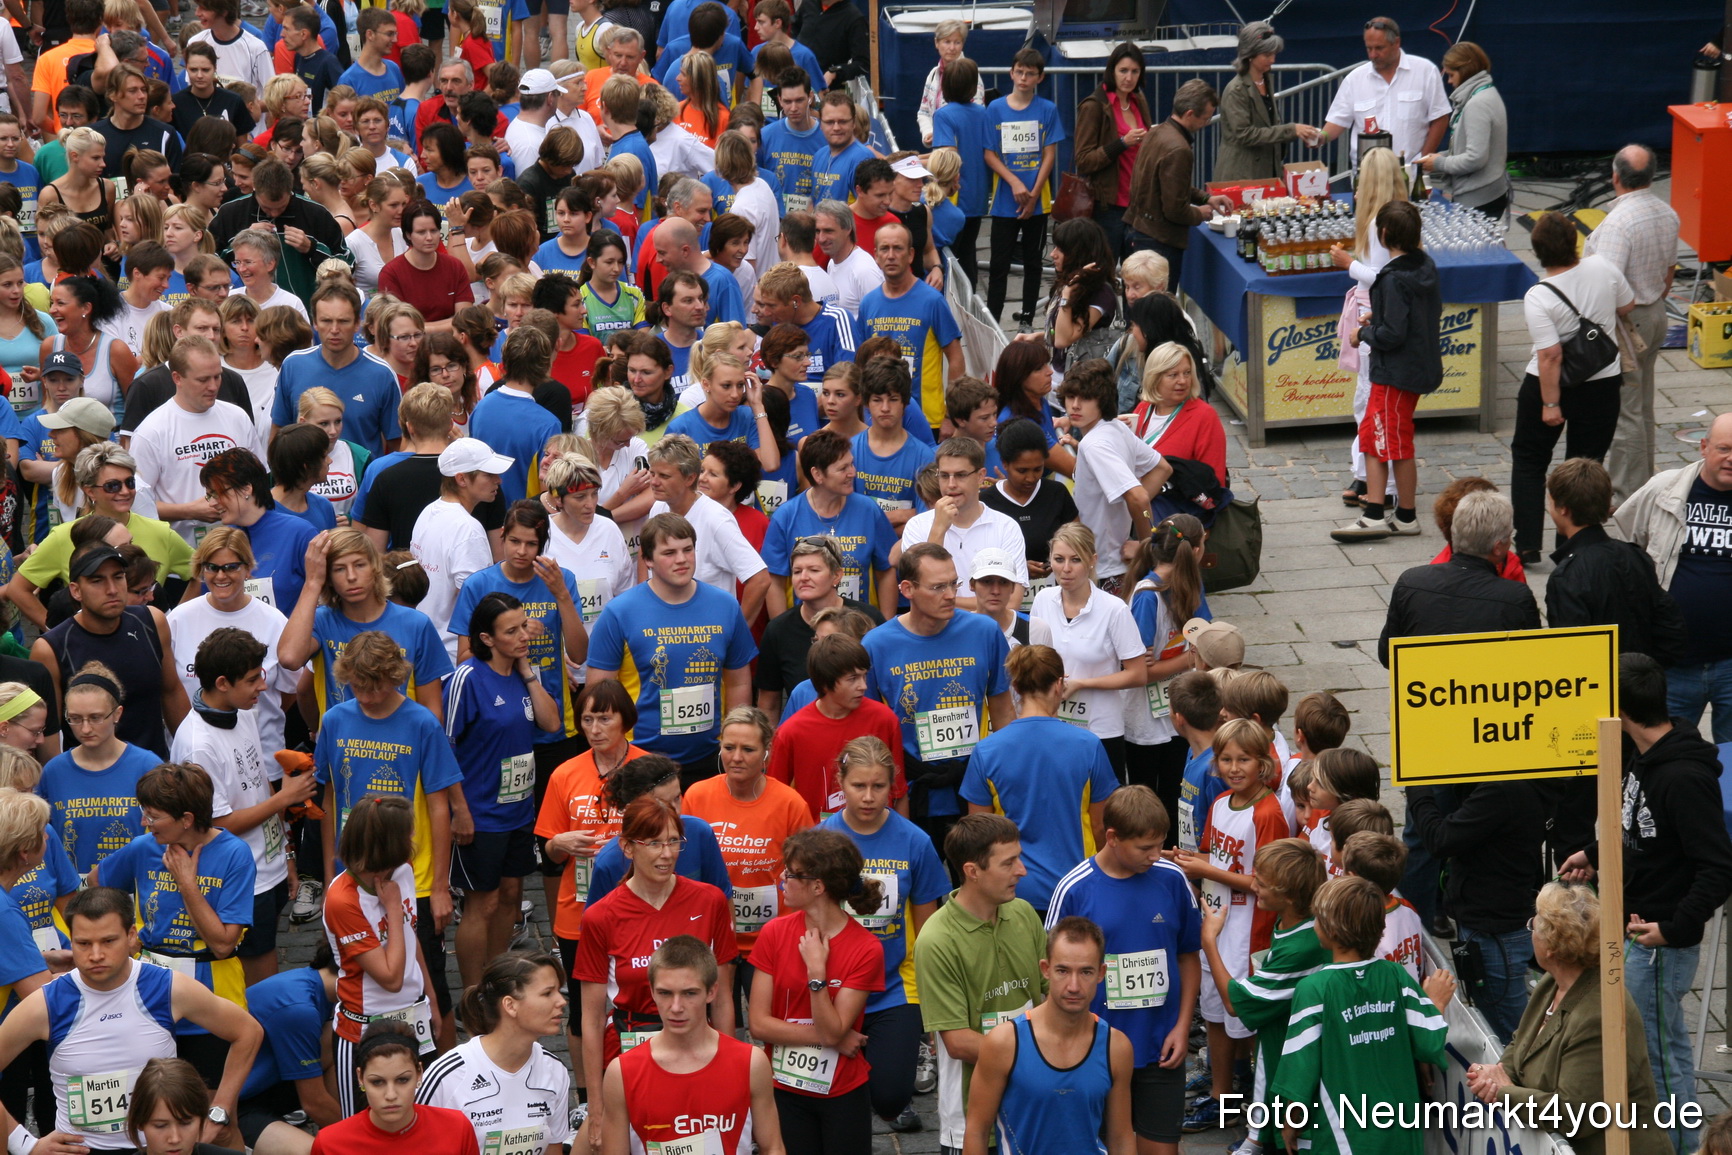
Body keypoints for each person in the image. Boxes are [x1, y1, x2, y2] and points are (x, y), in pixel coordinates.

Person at [1557, 653, 1732, 1151]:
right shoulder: (1642, 755)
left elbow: (1718, 866)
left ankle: (1679, 1146)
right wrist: (1594, 854)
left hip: (1658, 946)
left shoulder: (1681, 778)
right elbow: (1637, 827)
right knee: (1665, 1046)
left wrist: (1673, 929)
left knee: (1655, 1058)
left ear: (1622, 711)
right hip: (1641, 934)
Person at [0, 885, 263, 1153]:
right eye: (83, 943)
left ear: (130, 936)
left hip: (158, 1148)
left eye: (108, 941)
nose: (96, 955)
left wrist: (221, 1108)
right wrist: (24, 1144)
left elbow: (247, 1032)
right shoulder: (46, 1004)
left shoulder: (167, 988)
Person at [314, 631, 461, 1045]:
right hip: (353, 872)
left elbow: (438, 804)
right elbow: (328, 796)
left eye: (376, 685)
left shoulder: (421, 723)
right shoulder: (335, 720)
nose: (367, 695)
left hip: (411, 870)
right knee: (357, 972)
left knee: (430, 978)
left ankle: (443, 1065)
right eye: (358, 686)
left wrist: (442, 885)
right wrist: (329, 866)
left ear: (396, 677)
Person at [1463, 882, 1674, 1155]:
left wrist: (1504, 1092)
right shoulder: (1552, 982)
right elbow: (1521, 1043)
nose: (1529, 931)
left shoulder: (1598, 1016)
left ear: (1551, 946)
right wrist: (1494, 1077)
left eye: (1533, 925)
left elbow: (1574, 1114)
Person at [575, 795, 737, 1144]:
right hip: (629, 1055)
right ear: (628, 848)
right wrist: (596, 1107)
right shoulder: (600, 917)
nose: (666, 854)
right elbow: (589, 1018)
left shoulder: (710, 902)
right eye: (653, 843)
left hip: (697, 1047)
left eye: (673, 842)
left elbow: (722, 998)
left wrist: (731, 1071)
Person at [1047, 786, 1200, 1155]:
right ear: (1112, 838)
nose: (1155, 855)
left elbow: (1188, 957)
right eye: (1144, 848)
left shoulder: (1172, 879)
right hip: (1093, 1050)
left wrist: (1182, 1027)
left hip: (1160, 1046)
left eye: (1159, 844)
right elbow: (1052, 974)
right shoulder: (1074, 889)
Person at [1266, 875, 1454, 1155]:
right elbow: (1428, 1043)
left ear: (1330, 929)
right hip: (1401, 1129)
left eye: (1317, 918)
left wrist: (1292, 1121)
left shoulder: (1313, 989)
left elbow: (1300, 1070)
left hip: (1344, 1135)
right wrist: (1435, 1003)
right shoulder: (1396, 975)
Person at [819, 735, 946, 1126]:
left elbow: (928, 928)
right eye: (859, 786)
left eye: (879, 786)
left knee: (890, 1097)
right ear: (840, 783)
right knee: (837, 1103)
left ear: (893, 786)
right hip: (834, 985)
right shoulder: (821, 840)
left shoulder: (916, 842)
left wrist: (930, 1002)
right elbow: (807, 922)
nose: (869, 797)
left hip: (894, 986)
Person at [168, 627, 305, 986]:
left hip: (269, 866)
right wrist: (286, 798)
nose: (263, 686)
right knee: (259, 982)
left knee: (268, 956)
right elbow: (217, 826)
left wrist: (286, 854)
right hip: (243, 881)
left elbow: (257, 785)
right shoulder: (198, 746)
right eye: (252, 679)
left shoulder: (243, 710)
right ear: (223, 682)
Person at [89, 761, 255, 1053]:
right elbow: (95, 882)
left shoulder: (235, 854)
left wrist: (187, 884)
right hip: (150, 992)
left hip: (214, 995)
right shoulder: (144, 847)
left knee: (208, 1096)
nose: (144, 823)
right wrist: (126, 931)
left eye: (153, 816)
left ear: (187, 819)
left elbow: (223, 944)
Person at [443, 593, 562, 993]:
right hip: (479, 812)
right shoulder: (467, 678)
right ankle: (474, 993)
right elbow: (444, 747)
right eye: (511, 631)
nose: (523, 635)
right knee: (483, 902)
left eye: (524, 626)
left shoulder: (523, 675)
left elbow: (550, 723)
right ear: (486, 638)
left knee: (511, 897)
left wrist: (527, 670)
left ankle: (496, 982)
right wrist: (458, 810)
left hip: (519, 811)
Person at [586, 512, 756, 786]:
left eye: (688, 549)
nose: (681, 559)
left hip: (710, 759)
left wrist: (734, 743)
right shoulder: (620, 612)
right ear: (648, 560)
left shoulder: (725, 606)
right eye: (669, 552)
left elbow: (738, 683)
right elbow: (598, 694)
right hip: (640, 759)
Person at [914, 813, 1048, 1153]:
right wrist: (1041, 1056)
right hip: (972, 1123)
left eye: (1019, 858)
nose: (1022, 871)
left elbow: (1048, 997)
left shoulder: (1023, 914)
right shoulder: (937, 940)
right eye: (1009, 863)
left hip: (1034, 1110)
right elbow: (958, 1042)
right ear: (973, 871)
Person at [746, 827, 884, 1155]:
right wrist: (832, 1037)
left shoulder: (866, 949)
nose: (782, 878)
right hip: (782, 1087)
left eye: (791, 874)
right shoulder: (774, 933)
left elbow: (833, 1029)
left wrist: (817, 974)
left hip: (842, 1092)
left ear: (817, 886)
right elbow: (759, 1025)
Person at [864, 543, 1012, 846]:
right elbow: (867, 725)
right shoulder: (877, 644)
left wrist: (1008, 776)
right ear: (907, 588)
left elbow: (1003, 709)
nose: (950, 595)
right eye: (937, 587)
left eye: (953, 584)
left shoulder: (984, 631)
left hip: (973, 783)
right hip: (911, 787)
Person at [1508, 211, 1635, 561]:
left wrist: (1551, 404)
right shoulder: (1603, 267)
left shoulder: (1538, 295)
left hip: (1548, 386)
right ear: (1574, 242)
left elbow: (1550, 355)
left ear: (1537, 251)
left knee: (1530, 459)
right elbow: (1627, 304)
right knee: (1586, 463)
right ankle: (1572, 545)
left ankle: (1529, 542)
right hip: (1602, 382)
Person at [962, 643, 1121, 915]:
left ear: (1016, 687)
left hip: (1012, 891)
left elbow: (978, 836)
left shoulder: (986, 750)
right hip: (1078, 887)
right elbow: (1100, 827)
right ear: (1059, 684)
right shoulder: (1088, 745)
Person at [962, 916, 1137, 1155]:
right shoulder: (1005, 1043)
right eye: (1063, 971)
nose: (1073, 986)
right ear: (1045, 969)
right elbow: (977, 1131)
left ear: (1101, 973)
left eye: (1086, 972)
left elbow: (1121, 1137)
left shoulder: (1116, 1046)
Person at [599, 935, 785, 1155]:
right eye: (665, 993)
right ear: (652, 991)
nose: (676, 1007)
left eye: (689, 993)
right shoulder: (621, 1072)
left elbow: (772, 1146)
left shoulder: (750, 1063)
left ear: (712, 991)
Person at [1328, 201, 1443, 542]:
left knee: (1382, 441)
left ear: (1383, 235)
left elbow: (1393, 335)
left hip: (1394, 372)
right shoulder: (1424, 266)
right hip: (1414, 368)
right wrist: (1376, 316)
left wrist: (1362, 332)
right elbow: (1411, 316)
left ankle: (1376, 513)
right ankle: (1403, 515)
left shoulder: (1393, 279)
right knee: (1388, 439)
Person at [321, 794, 441, 1112]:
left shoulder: (401, 871)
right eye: (407, 834)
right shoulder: (342, 900)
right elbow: (390, 978)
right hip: (364, 1029)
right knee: (366, 1132)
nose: (413, 839)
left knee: (423, 1119)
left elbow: (411, 943)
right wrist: (393, 909)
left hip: (414, 1018)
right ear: (390, 845)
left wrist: (431, 1004)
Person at [1616, 413, 1732, 741]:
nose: (1731, 459)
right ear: (1704, 447)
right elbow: (1630, 543)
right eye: (1723, 449)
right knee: (1665, 755)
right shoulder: (1664, 489)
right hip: (1673, 665)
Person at [1587, 145, 1680, 506]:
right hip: (1655, 311)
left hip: (1628, 320)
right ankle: (1644, 483)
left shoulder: (1618, 223)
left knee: (1625, 408)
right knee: (1642, 402)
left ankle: (1627, 493)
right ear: (1652, 175)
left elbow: (1605, 284)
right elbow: (1670, 272)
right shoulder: (1667, 212)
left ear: (1615, 176)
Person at [279, 527, 454, 718]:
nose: (351, 576)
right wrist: (312, 583)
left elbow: (432, 706)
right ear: (328, 578)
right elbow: (289, 658)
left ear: (375, 567)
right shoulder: (322, 621)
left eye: (359, 565)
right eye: (339, 569)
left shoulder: (416, 624)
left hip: (401, 743)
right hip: (340, 744)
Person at [35, 543, 188, 758]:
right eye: (97, 581)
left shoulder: (152, 621)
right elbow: (49, 731)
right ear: (76, 590)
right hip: (90, 783)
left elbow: (172, 692)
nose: (112, 589)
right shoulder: (50, 648)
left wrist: (190, 760)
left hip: (155, 778)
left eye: (118, 577)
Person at [417, 951, 573, 1154]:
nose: (561, 1001)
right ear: (510, 1005)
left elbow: (553, 1148)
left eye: (559, 992)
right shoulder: (447, 1076)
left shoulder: (555, 1071)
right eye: (547, 993)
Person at [1544, 458, 1686, 664]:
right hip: (1642, 681)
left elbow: (1570, 655)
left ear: (1563, 508)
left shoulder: (1567, 576)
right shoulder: (1635, 556)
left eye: (1550, 501)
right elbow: (1670, 626)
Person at [1028, 522, 1146, 768]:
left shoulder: (1114, 609)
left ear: (1092, 560)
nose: (1066, 569)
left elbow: (1138, 674)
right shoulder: (1042, 600)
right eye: (1059, 559)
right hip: (1054, 725)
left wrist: (1082, 683)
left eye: (1076, 560)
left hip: (1101, 730)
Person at [1061, 360, 1169, 595]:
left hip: (1103, 572)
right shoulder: (1116, 428)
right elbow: (1162, 468)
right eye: (1070, 397)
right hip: (1111, 566)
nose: (1075, 406)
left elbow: (1139, 497)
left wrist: (1145, 545)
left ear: (1102, 400)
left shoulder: (1094, 444)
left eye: (1085, 398)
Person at [641, 434, 773, 622]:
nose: (654, 482)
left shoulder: (716, 519)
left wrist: (735, 634)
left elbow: (760, 579)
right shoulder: (658, 507)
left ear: (689, 479)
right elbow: (645, 556)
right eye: (652, 473)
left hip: (708, 640)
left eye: (664, 476)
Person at [763, 432, 896, 615]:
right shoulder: (786, 516)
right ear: (817, 474)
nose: (852, 473)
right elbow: (774, 582)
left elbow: (886, 571)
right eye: (843, 469)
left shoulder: (868, 510)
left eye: (851, 464)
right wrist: (785, 633)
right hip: (807, 628)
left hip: (859, 626)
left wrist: (885, 628)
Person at [1123, 80, 1233, 289]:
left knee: (1137, 307)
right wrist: (1200, 213)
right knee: (1156, 311)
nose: (1207, 123)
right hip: (1159, 241)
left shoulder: (1157, 131)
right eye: (1205, 118)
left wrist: (1206, 197)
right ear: (1190, 114)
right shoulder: (1179, 149)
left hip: (1138, 231)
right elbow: (1174, 209)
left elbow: (1168, 187)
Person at [232, 942, 342, 1149]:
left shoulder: (311, 982)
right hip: (237, 1105)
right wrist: (365, 1141)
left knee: (345, 1043)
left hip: (268, 1084)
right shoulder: (299, 1010)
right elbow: (314, 1102)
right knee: (312, 1151)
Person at [270, 283, 400, 457]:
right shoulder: (293, 365)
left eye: (343, 321)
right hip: (304, 481)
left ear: (356, 324)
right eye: (326, 321)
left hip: (362, 482)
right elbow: (278, 433)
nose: (334, 330)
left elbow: (398, 444)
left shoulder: (381, 374)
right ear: (314, 323)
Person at [410, 436, 511, 660]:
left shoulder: (428, 512)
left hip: (428, 649)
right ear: (461, 479)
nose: (499, 481)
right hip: (453, 654)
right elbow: (479, 602)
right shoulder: (468, 528)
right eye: (489, 474)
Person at [311, 1021, 479, 1154]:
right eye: (377, 1082)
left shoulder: (457, 1128)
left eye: (402, 1080)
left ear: (419, 1073)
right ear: (360, 1078)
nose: (391, 1095)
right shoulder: (329, 1144)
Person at [981, 48, 1062, 324]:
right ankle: (993, 319)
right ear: (1011, 73)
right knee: (998, 265)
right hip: (1005, 201)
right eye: (1020, 72)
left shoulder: (1047, 110)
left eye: (1030, 74)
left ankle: (1028, 318)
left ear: (1040, 77)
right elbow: (989, 154)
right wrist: (1014, 182)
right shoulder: (995, 109)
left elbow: (1049, 154)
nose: (1024, 78)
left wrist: (1034, 194)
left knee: (1033, 263)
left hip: (1037, 202)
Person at [900, 437, 1026, 610]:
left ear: (980, 476)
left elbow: (1011, 603)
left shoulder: (1006, 527)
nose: (951, 485)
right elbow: (919, 596)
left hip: (986, 633)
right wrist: (938, 529)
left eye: (960, 475)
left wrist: (943, 602)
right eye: (944, 476)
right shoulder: (917, 526)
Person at [212, 157, 354, 302]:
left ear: (290, 190)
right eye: (266, 208)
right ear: (255, 188)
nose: (274, 214)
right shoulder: (230, 213)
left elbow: (348, 265)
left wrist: (311, 248)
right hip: (247, 314)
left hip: (303, 312)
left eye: (281, 207)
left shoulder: (315, 214)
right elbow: (209, 262)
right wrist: (242, 241)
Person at [1319, 16, 1449, 163]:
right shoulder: (1354, 79)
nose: (1373, 55)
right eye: (1369, 48)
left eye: (1379, 48)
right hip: (1367, 176)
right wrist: (1321, 136)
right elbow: (1338, 120)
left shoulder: (1425, 71)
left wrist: (1424, 159)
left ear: (1397, 43)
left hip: (1410, 173)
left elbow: (1440, 118)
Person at [1128, 343, 1230, 524]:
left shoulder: (1204, 416)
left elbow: (1215, 482)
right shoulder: (1144, 409)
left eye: (1187, 373)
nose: (1182, 381)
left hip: (1175, 518)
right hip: (1136, 507)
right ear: (1155, 378)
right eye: (1173, 375)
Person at [1073, 43, 1152, 257]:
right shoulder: (1094, 106)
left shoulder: (1138, 99)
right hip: (1108, 207)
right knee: (1102, 274)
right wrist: (1122, 143)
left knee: (1137, 275)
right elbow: (1083, 160)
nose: (1129, 77)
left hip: (1138, 205)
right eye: (1123, 71)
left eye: (1135, 71)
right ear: (1112, 71)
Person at [1215, 23, 1319, 181]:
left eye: (1274, 54)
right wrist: (1291, 130)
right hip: (1242, 176)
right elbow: (1245, 134)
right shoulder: (1235, 90)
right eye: (1267, 55)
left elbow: (1267, 126)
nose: (1273, 60)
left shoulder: (1265, 80)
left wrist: (1297, 133)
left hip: (1265, 170)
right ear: (1250, 54)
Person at [1419, 42, 1510, 217]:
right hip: (1487, 194)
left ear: (1465, 70)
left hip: (1479, 199)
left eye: (1452, 75)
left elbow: (1475, 158)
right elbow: (1471, 150)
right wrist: (1440, 157)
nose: (1450, 81)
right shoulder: (1486, 94)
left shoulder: (1477, 104)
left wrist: (1439, 163)